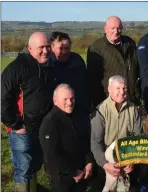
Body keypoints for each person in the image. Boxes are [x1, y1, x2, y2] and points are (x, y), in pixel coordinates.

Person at [1, 32, 57, 191]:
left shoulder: (49, 66)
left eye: (48, 47)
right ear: (30, 47)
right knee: (24, 167)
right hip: (22, 129)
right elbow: (2, 97)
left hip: (41, 126)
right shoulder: (17, 67)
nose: (46, 51)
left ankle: (32, 188)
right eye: (41, 47)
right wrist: (14, 123)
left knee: (35, 163)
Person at [90, 75, 144, 190]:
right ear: (109, 89)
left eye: (124, 88)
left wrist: (133, 160)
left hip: (127, 157)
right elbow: (95, 143)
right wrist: (105, 164)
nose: (122, 92)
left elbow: (139, 138)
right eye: (118, 88)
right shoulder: (100, 111)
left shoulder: (133, 109)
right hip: (106, 158)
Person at [39, 84, 94, 192]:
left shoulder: (79, 116)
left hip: (82, 173)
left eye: (72, 98)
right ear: (55, 101)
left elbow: (86, 141)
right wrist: (73, 172)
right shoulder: (49, 123)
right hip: (63, 177)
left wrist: (89, 161)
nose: (69, 102)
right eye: (65, 99)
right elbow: (51, 155)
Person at [87, 16, 141, 108]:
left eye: (118, 28)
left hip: (131, 99)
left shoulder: (130, 43)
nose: (116, 31)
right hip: (109, 102)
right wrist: (98, 104)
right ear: (105, 29)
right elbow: (93, 81)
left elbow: (136, 67)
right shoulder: (96, 49)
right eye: (112, 28)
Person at [50, 31, 90, 116]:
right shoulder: (47, 65)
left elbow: (86, 82)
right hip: (56, 112)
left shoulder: (77, 60)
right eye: (60, 48)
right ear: (52, 47)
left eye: (67, 48)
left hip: (79, 110)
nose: (64, 51)